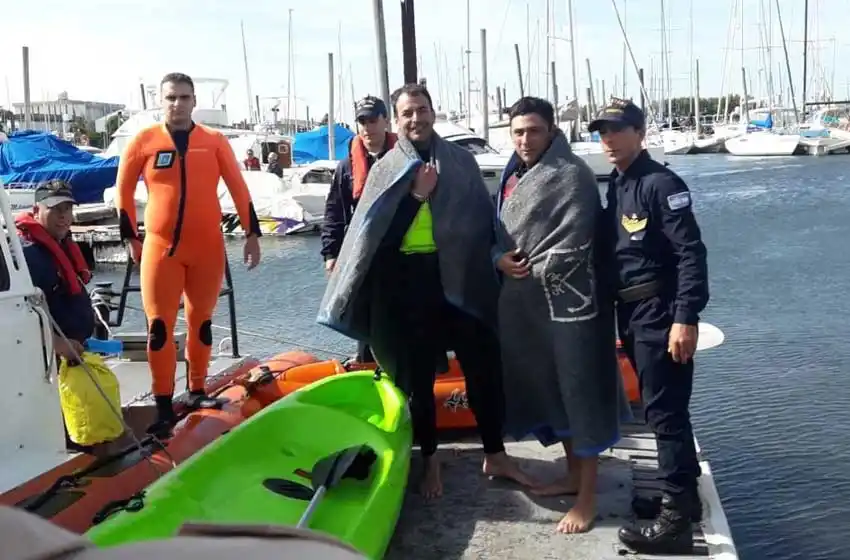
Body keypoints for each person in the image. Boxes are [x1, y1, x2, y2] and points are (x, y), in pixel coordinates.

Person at [318, 83, 534, 498]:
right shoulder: (386, 167)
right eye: (407, 113)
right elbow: (376, 241)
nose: (416, 118)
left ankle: (495, 453)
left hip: (462, 274)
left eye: (421, 109)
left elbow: (484, 222)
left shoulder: (461, 161)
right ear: (396, 120)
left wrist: (496, 256)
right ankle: (430, 459)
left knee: (483, 366)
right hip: (408, 281)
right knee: (417, 377)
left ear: (433, 112)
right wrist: (417, 195)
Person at [494, 97, 629, 534]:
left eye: (534, 130)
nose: (525, 139)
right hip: (527, 306)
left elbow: (576, 242)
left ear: (551, 131)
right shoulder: (514, 174)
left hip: (573, 308)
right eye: (518, 132)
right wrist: (499, 260)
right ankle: (572, 475)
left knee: (580, 394)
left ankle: (587, 500)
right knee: (552, 389)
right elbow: (498, 232)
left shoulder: (572, 175)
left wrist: (533, 266)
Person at [115, 72, 263, 438]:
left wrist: (252, 234)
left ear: (194, 101)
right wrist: (131, 238)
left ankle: (197, 389)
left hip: (207, 248)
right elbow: (123, 192)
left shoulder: (213, 141)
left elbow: (238, 187)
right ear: (160, 101)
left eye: (184, 97)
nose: (177, 104)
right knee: (159, 328)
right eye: (171, 97)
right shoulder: (143, 141)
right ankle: (164, 402)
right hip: (161, 249)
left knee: (202, 322)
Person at [590, 98, 709, 554]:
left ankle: (675, 523)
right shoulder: (621, 184)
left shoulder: (661, 184)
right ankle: (684, 499)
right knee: (665, 409)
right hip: (633, 313)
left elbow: (690, 254)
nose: (608, 139)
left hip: (660, 312)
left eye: (617, 129)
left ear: (640, 133)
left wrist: (685, 317)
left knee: (664, 413)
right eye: (603, 131)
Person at [15, 180, 96, 453]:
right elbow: (24, 311)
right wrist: (58, 344)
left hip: (70, 353)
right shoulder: (29, 255)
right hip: (49, 357)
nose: (63, 216)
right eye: (55, 209)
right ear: (37, 210)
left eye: (67, 209)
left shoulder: (61, 244)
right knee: (57, 426)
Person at [320, 95, 397, 363]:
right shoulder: (346, 168)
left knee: (401, 319)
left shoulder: (405, 159)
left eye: (373, 120)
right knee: (365, 321)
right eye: (362, 121)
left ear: (386, 121)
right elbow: (333, 212)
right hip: (363, 257)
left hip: (401, 256)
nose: (367, 127)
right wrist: (330, 254)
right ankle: (366, 365)